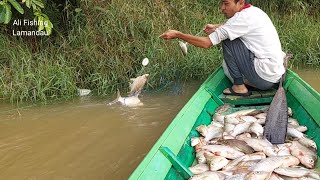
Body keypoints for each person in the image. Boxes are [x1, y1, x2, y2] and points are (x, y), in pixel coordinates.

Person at [160, 0, 285, 96]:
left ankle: (239, 87)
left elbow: (206, 43)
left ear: (240, 2)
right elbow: (236, 24)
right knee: (230, 37)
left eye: (226, 4)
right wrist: (216, 27)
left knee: (229, 41)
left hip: (264, 78)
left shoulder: (242, 18)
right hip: (274, 76)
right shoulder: (254, 11)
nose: (222, 8)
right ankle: (249, 81)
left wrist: (178, 35)